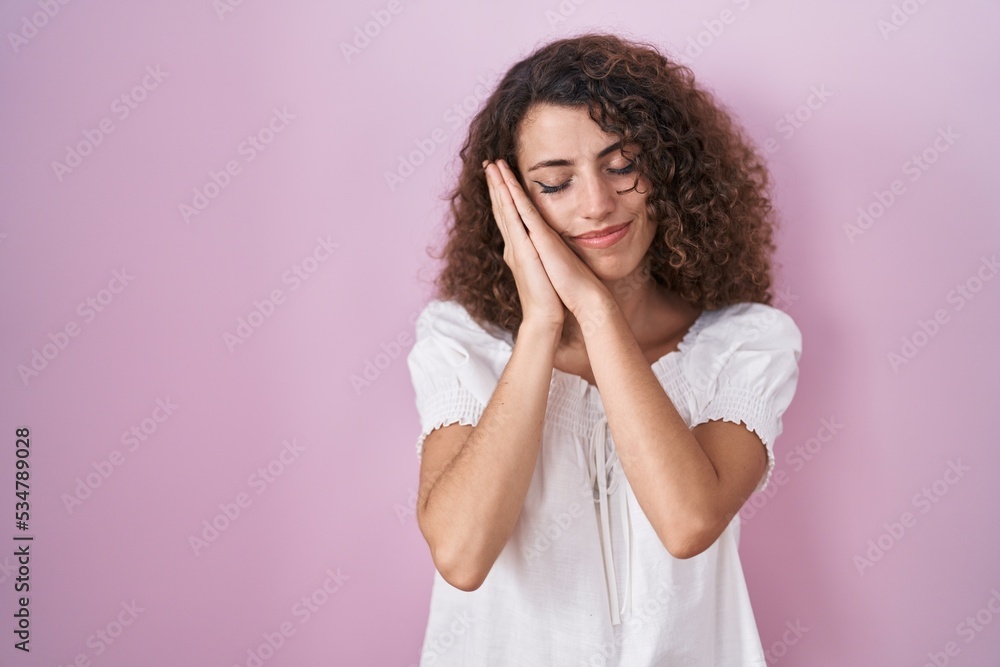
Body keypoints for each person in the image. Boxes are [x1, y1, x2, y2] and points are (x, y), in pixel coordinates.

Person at [406, 31, 802, 666]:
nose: (597, 204)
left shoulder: (746, 341)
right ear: (513, 205)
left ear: (670, 169)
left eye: (622, 167)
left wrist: (592, 307)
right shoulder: (461, 341)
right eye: (555, 183)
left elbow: (687, 523)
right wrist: (540, 326)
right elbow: (461, 556)